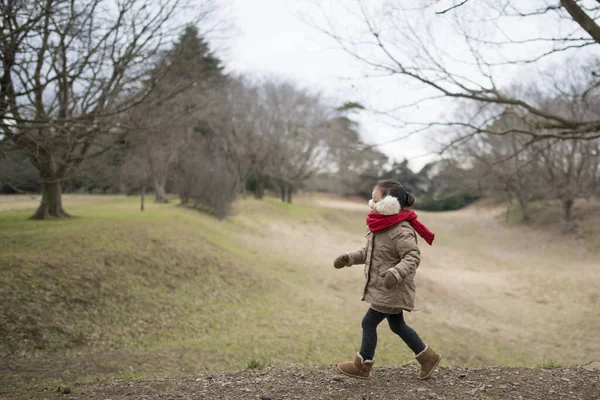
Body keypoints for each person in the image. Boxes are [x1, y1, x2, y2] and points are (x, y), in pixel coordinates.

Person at [333, 179, 441, 380]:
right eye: (371, 200)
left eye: (376, 200)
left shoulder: (400, 229)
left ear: (389, 203)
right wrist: (350, 258)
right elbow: (370, 252)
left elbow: (413, 256)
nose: (372, 204)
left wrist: (396, 273)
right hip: (384, 288)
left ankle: (362, 366)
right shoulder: (382, 225)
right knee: (397, 325)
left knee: (368, 323)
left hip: (391, 288)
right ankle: (428, 357)